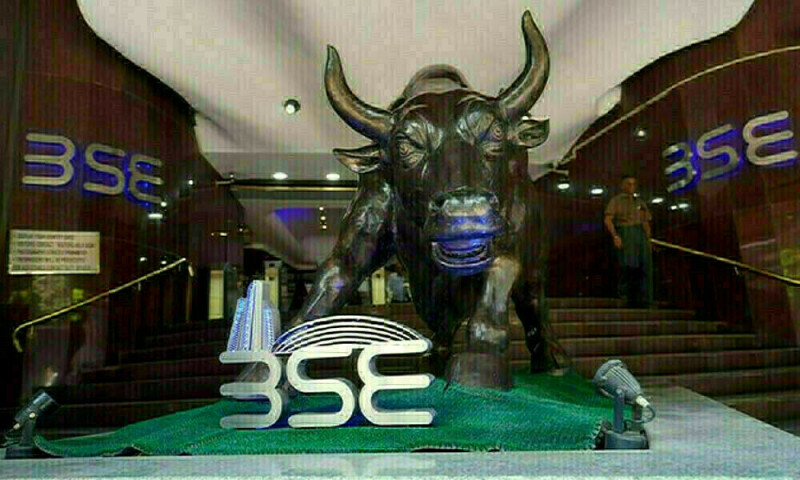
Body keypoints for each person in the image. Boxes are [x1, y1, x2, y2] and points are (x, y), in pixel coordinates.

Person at [604, 174, 653, 308]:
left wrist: (648, 239)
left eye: (633, 184)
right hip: (625, 231)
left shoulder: (640, 202)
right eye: (628, 184)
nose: (631, 187)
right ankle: (625, 296)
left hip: (640, 234)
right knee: (628, 265)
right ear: (623, 185)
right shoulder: (616, 200)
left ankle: (644, 298)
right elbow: (608, 219)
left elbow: (645, 222)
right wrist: (615, 236)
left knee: (644, 266)